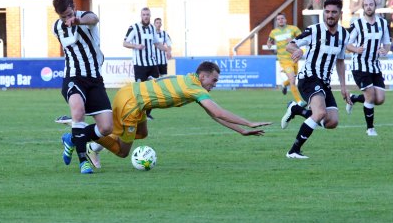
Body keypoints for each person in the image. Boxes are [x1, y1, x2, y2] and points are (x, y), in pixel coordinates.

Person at [82, 61, 272, 167]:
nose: (214, 84)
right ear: (203, 76)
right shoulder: (195, 88)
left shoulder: (190, 80)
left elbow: (213, 115)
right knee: (123, 152)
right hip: (131, 102)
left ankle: (95, 145)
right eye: (213, 80)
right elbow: (218, 112)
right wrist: (249, 123)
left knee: (142, 134)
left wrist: (241, 131)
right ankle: (83, 133)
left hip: (131, 94)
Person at [280, 0, 352, 159]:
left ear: (340, 13)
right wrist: (296, 51)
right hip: (309, 78)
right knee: (319, 113)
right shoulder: (314, 30)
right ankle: (293, 151)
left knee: (331, 122)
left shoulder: (343, 35)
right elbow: (290, 45)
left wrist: (343, 87)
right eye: (327, 12)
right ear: (323, 12)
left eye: (334, 12)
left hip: (324, 83)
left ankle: (296, 109)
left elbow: (340, 61)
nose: (330, 15)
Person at [52, 0, 113, 174]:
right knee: (78, 112)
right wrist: (67, 22)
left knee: (106, 127)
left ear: (75, 8)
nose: (67, 19)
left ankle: (71, 139)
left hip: (94, 79)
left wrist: (77, 21)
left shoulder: (86, 18)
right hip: (73, 77)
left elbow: (94, 17)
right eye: (63, 17)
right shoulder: (57, 27)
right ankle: (83, 161)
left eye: (70, 14)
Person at [345, 0, 391, 136]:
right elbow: (347, 44)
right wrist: (355, 49)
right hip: (359, 65)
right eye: (366, 5)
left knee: (380, 99)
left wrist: (386, 50)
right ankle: (370, 128)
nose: (369, 7)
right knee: (370, 96)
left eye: (371, 4)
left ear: (375, 6)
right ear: (363, 8)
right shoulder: (357, 24)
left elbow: (387, 42)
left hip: (375, 65)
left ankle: (354, 98)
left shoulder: (382, 23)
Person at [123, 7, 171, 120]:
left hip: (152, 64)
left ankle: (147, 113)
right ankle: (137, 112)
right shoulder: (134, 28)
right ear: (141, 16)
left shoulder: (152, 28)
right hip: (139, 65)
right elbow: (125, 43)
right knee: (140, 91)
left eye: (147, 15)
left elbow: (157, 43)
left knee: (154, 89)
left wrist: (167, 50)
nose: (146, 16)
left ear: (150, 16)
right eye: (144, 14)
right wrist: (136, 46)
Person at [267, 13, 305, 105]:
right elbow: (269, 40)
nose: (280, 20)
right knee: (292, 79)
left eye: (282, 18)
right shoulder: (273, 32)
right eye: (278, 19)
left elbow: (303, 38)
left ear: (285, 20)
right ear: (276, 21)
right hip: (283, 60)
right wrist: (269, 44)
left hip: (294, 57)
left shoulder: (293, 29)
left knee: (293, 78)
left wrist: (293, 40)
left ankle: (284, 84)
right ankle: (299, 101)